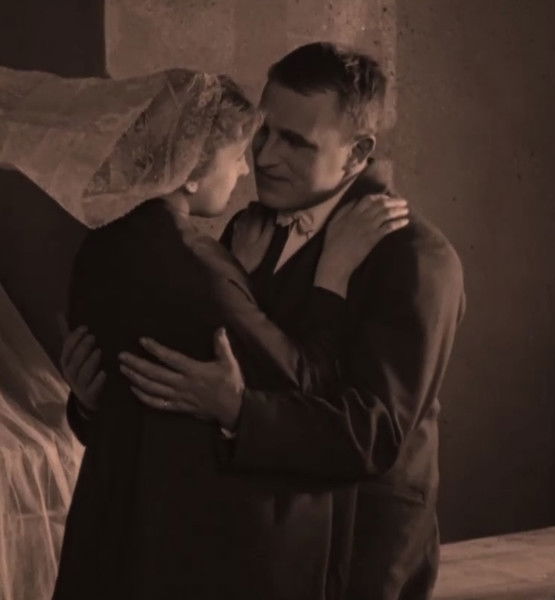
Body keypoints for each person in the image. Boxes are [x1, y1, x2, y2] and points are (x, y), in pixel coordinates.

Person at [63, 43, 465, 599]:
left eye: (296, 142)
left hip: (356, 558)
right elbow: (191, 391)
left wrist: (237, 409)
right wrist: (94, 401)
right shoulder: (246, 231)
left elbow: (373, 435)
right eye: (263, 132)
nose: (265, 158)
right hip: (250, 555)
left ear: (357, 153)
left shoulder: (415, 258)